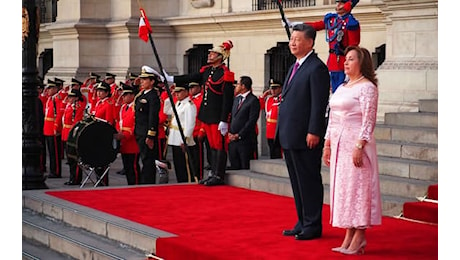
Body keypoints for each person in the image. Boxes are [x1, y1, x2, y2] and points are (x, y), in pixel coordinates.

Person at [322, 46, 381, 255]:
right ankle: (348, 234)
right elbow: (333, 118)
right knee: (345, 190)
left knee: (358, 189)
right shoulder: (342, 87)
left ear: (361, 62)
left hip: (356, 144)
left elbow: (369, 120)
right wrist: (327, 144)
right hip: (339, 144)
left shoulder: (367, 88)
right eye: (345, 59)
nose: (345, 63)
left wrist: (360, 145)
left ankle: (360, 236)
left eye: (350, 59)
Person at [277, 23, 330, 240]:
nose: (292, 43)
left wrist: (314, 131)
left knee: (308, 180)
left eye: (297, 39)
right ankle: (302, 220)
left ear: (310, 42)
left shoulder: (316, 68)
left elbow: (319, 103)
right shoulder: (295, 66)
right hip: (290, 133)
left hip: (306, 135)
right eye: (292, 39)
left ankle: (312, 225)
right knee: (297, 181)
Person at [162, 40, 235, 186]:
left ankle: (218, 175)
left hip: (216, 116)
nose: (210, 55)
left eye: (213, 53)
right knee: (210, 147)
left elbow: (227, 99)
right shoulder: (207, 71)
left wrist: (224, 119)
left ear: (220, 56)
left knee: (218, 146)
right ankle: (212, 172)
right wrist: (171, 79)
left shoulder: (225, 74)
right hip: (206, 115)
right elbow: (191, 77)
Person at [283, 0, 360, 93]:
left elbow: (353, 47)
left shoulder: (351, 23)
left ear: (349, 5)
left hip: (343, 62)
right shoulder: (331, 19)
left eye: (341, 3)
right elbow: (315, 26)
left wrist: (350, 67)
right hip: (332, 62)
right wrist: (293, 24)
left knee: (342, 91)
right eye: (337, 2)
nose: (338, 5)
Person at [163, 83, 197, 183]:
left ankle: (188, 181)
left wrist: (185, 139)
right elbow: (166, 110)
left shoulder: (189, 105)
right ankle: (180, 181)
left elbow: (190, 123)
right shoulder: (179, 104)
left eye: (179, 92)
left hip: (182, 137)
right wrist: (170, 96)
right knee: (178, 163)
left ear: (186, 92)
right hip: (174, 137)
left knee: (185, 164)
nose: (177, 94)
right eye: (176, 92)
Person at [134, 65, 161, 184]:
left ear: (152, 81)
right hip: (139, 131)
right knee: (143, 158)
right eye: (142, 79)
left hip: (146, 132)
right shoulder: (142, 94)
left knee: (148, 159)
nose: (142, 81)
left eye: (145, 79)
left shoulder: (153, 96)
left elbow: (153, 116)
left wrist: (151, 135)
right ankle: (144, 181)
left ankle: (148, 182)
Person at [228, 76, 260, 170]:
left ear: (243, 86)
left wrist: (239, 134)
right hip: (233, 140)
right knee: (235, 167)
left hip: (245, 141)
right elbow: (232, 117)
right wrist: (230, 132)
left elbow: (251, 121)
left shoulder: (253, 100)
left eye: (238, 84)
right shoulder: (236, 99)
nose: (236, 86)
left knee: (245, 167)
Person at [114, 83, 141, 185]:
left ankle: (136, 184)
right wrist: (118, 132)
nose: (123, 97)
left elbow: (137, 124)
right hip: (123, 140)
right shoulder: (123, 107)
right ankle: (131, 184)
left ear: (132, 96)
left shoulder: (136, 107)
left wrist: (126, 134)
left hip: (132, 141)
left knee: (133, 166)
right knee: (127, 166)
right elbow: (118, 121)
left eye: (125, 95)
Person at [62, 89, 86, 185]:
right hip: (66, 133)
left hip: (72, 134)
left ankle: (76, 178)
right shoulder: (69, 106)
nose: (69, 98)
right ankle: (72, 178)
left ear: (76, 98)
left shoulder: (78, 107)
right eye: (69, 96)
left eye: (72, 97)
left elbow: (76, 121)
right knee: (69, 159)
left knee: (74, 158)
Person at [43, 79, 65, 178]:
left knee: (55, 153)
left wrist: (56, 126)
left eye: (50, 89)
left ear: (55, 89)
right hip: (48, 128)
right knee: (51, 151)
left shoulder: (57, 99)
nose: (48, 90)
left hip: (53, 128)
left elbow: (59, 114)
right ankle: (52, 170)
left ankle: (56, 171)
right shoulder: (50, 98)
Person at [259, 79, 283, 159]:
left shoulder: (282, 98)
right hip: (269, 131)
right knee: (272, 152)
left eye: (275, 88)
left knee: (279, 152)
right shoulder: (269, 99)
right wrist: (263, 95)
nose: (273, 90)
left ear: (280, 88)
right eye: (271, 88)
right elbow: (260, 106)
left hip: (278, 130)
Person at [189, 82, 206, 181]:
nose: (191, 89)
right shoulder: (189, 100)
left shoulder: (202, 99)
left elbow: (203, 116)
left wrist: (202, 130)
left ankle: (198, 176)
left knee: (197, 157)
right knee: (190, 156)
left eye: (194, 87)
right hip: (189, 131)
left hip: (197, 130)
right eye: (190, 88)